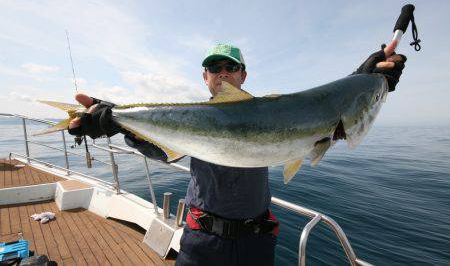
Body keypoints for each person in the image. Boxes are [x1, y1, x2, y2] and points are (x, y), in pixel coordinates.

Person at [68, 42, 406, 266]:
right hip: (201, 243)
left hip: (255, 243)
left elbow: (317, 106)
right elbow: (163, 151)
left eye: (230, 68)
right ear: (205, 77)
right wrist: (115, 122)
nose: (222, 73)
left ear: (243, 74)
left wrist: (366, 76)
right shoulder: (190, 120)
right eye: (215, 69)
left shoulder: (273, 113)